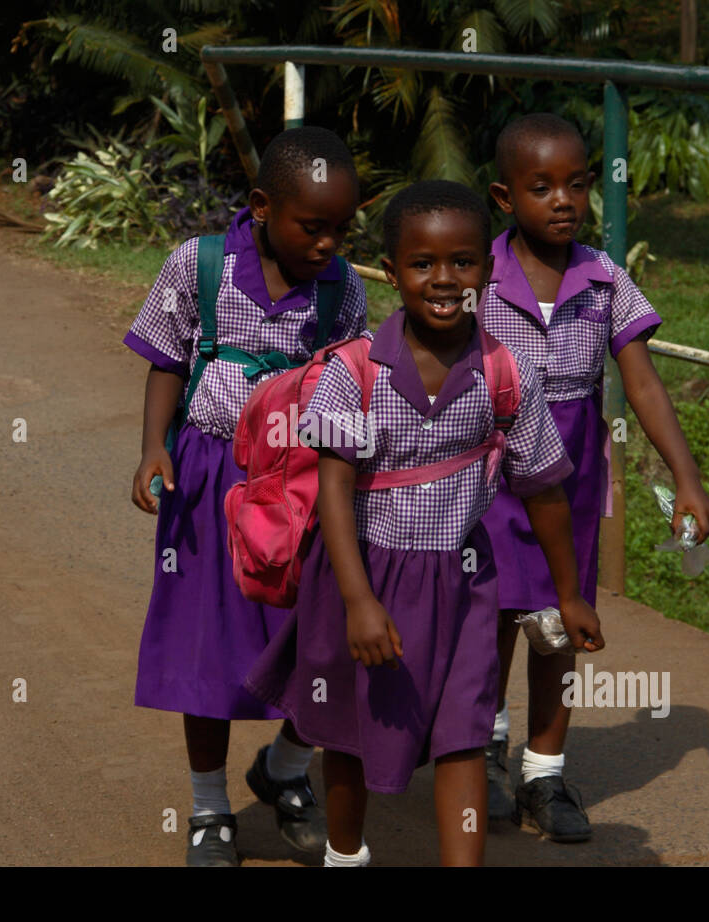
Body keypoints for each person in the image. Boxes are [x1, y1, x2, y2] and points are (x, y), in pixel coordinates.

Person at [245, 180, 604, 866]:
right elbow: (334, 488)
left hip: (464, 584)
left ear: (488, 271)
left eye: (463, 263)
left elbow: (545, 490)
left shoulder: (508, 372)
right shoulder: (354, 371)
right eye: (421, 265)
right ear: (391, 271)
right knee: (351, 737)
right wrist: (357, 602)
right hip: (361, 573)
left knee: (464, 735)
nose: (443, 280)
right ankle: (345, 855)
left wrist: (570, 593)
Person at [124, 126, 368, 865]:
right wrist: (152, 448)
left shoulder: (343, 288)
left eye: (340, 229)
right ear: (262, 206)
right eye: (312, 226)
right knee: (206, 646)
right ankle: (207, 810)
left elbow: (353, 381)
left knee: (320, 640)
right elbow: (167, 360)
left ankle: (287, 768)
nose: (327, 243)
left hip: (301, 491)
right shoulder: (197, 266)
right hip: (205, 477)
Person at [480, 113, 709, 840]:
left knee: (559, 620)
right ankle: (483, 751)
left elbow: (642, 385)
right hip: (488, 467)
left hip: (573, 468)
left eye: (576, 184)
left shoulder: (605, 278)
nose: (563, 201)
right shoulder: (475, 272)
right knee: (488, 616)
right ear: (503, 196)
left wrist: (686, 476)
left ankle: (544, 775)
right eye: (541, 186)